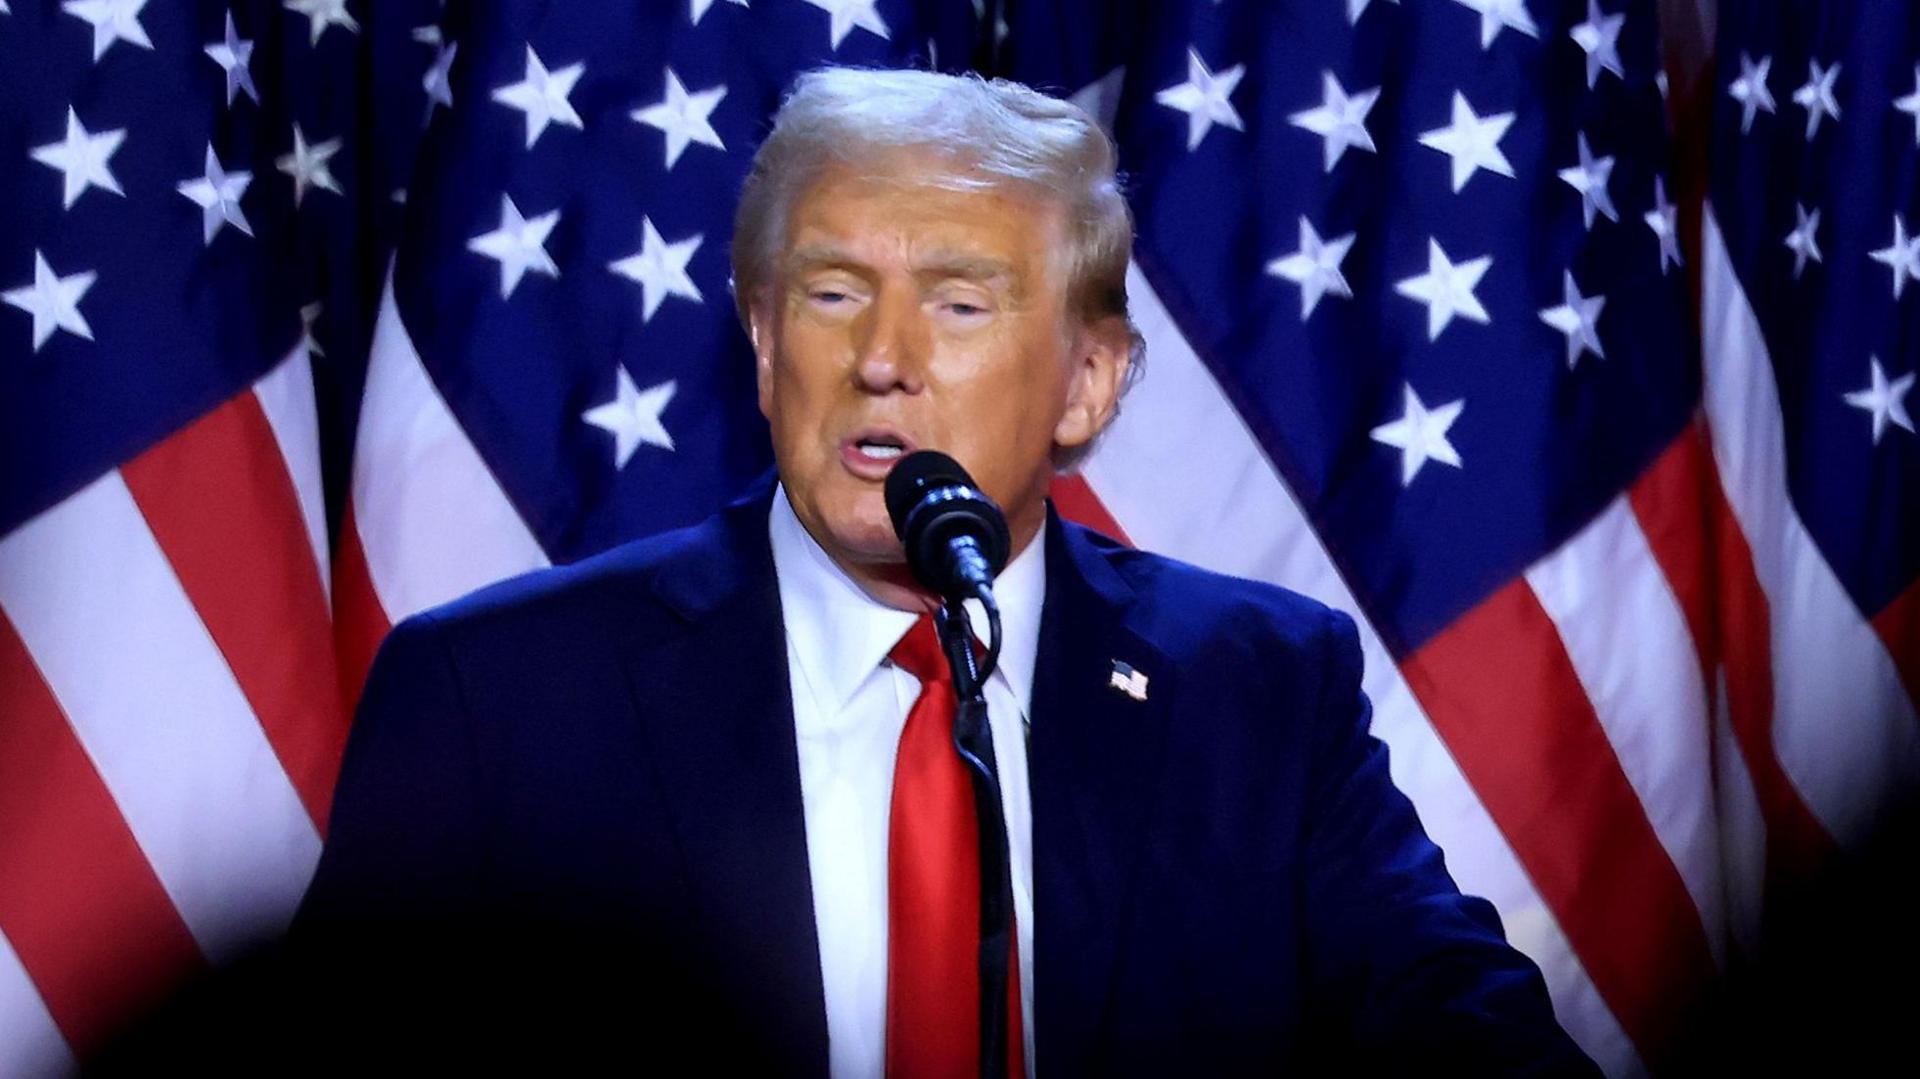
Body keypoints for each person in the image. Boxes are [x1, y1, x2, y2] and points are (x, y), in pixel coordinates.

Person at [291, 67, 1598, 1075]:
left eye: (962, 305)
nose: (885, 356)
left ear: (1089, 384)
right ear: (759, 341)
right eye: (830, 294)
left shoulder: (1253, 689)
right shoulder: (501, 696)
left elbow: (1465, 1038)